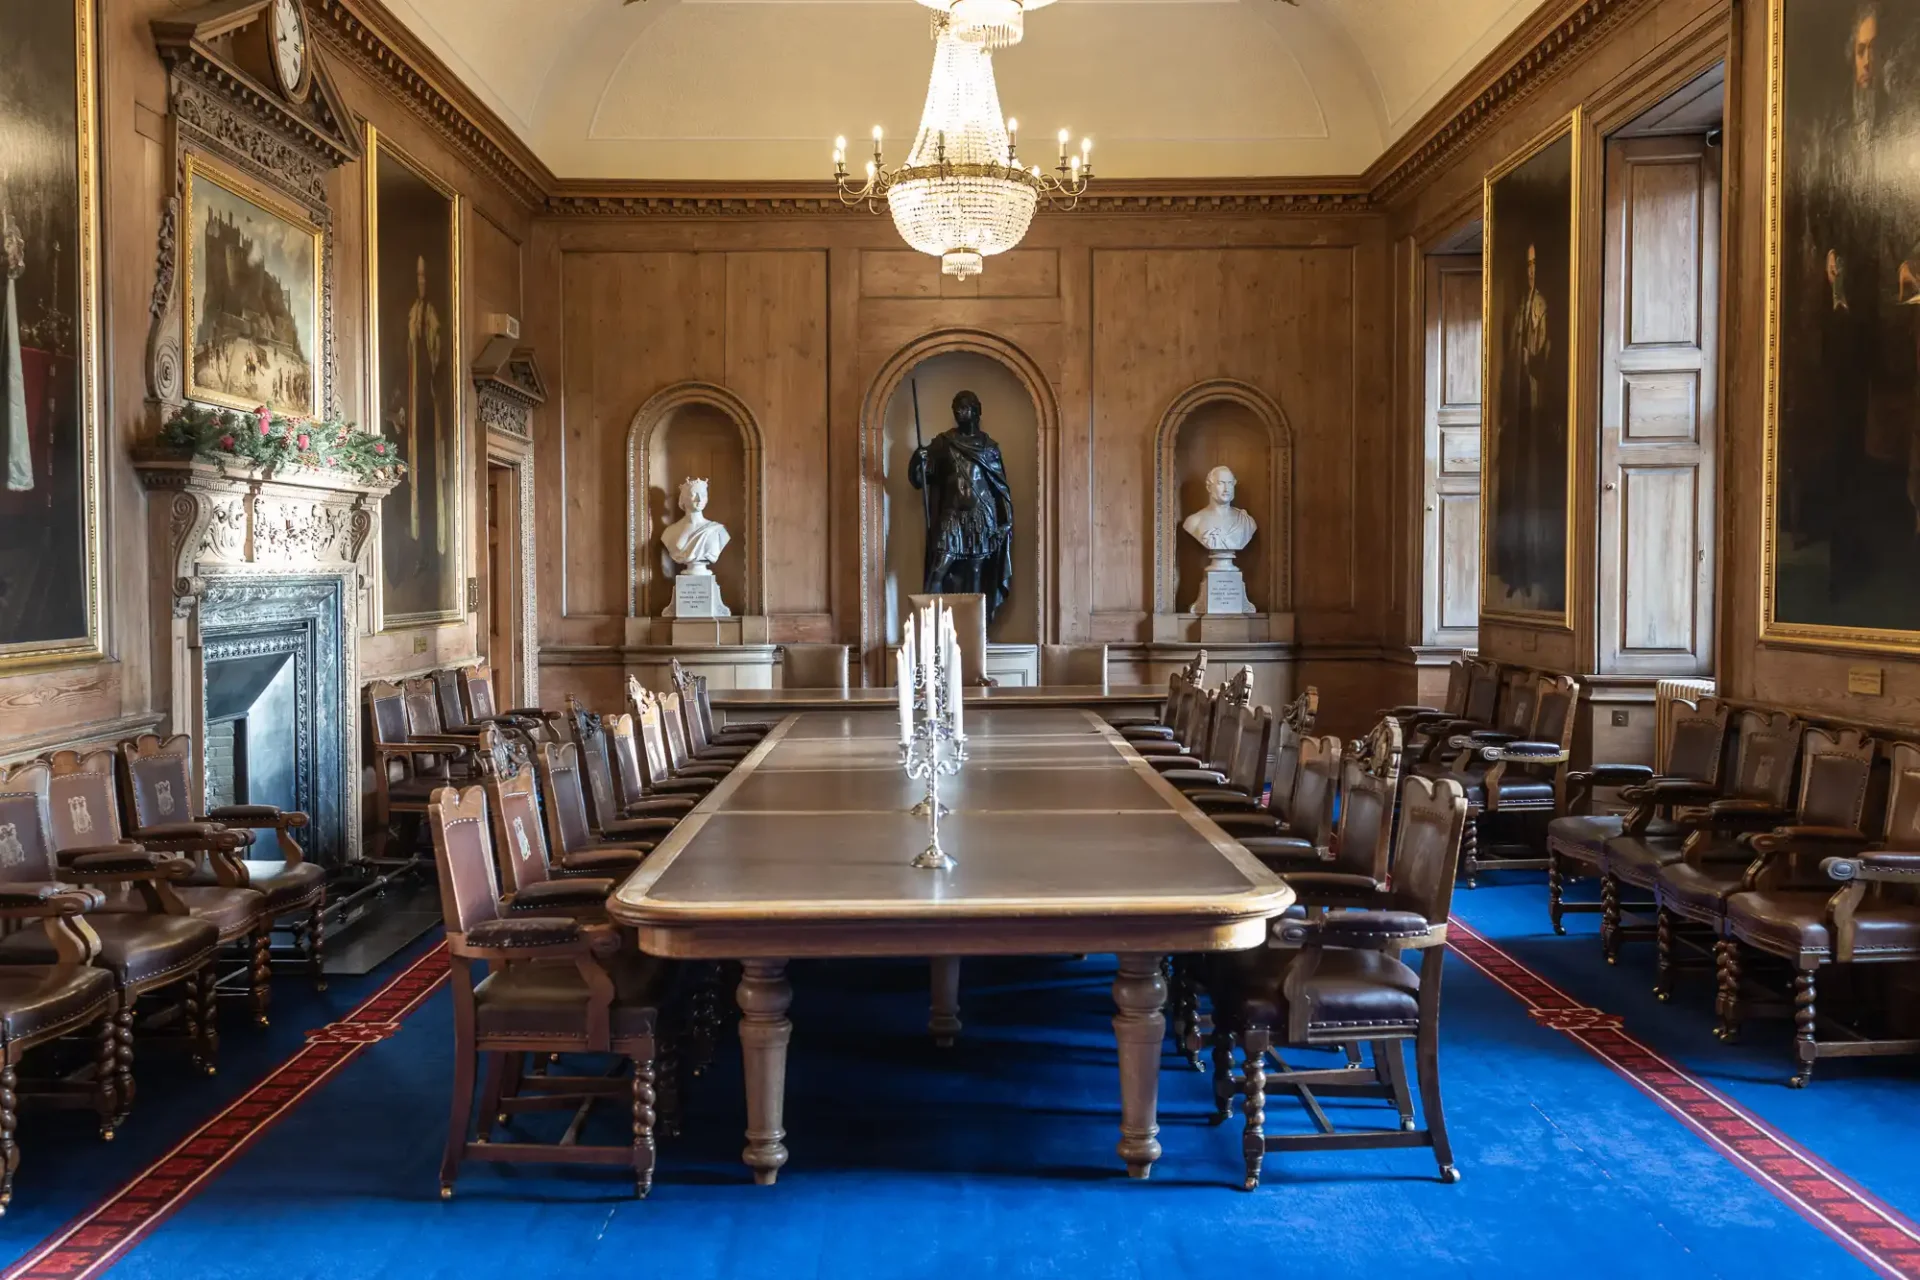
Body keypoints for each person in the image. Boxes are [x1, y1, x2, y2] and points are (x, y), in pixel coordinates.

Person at [909, 389, 1015, 623]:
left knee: (976, 574)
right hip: (952, 516)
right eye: (955, 407)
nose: (958, 411)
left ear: (976, 411)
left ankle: (975, 630)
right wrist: (917, 459)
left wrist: (1006, 522)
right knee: (939, 568)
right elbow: (919, 481)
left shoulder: (989, 447)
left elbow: (1000, 489)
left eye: (964, 407)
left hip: (981, 516)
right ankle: (928, 628)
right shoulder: (943, 443)